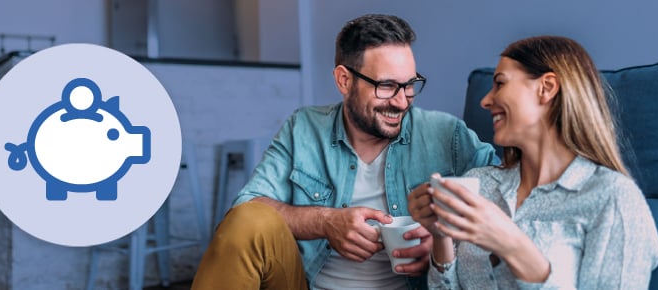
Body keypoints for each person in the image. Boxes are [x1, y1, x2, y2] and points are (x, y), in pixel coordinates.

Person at [191, 14, 497, 290]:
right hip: (306, 283)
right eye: (387, 86)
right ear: (344, 80)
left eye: (410, 85)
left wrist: (444, 243)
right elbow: (244, 210)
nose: (402, 102)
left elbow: (507, 199)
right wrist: (325, 221)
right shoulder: (304, 128)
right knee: (250, 221)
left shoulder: (447, 134)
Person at [408, 35, 658, 289]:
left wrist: (513, 245)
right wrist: (441, 235)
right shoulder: (480, 184)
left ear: (547, 88)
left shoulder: (614, 199)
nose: (485, 101)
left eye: (500, 83)